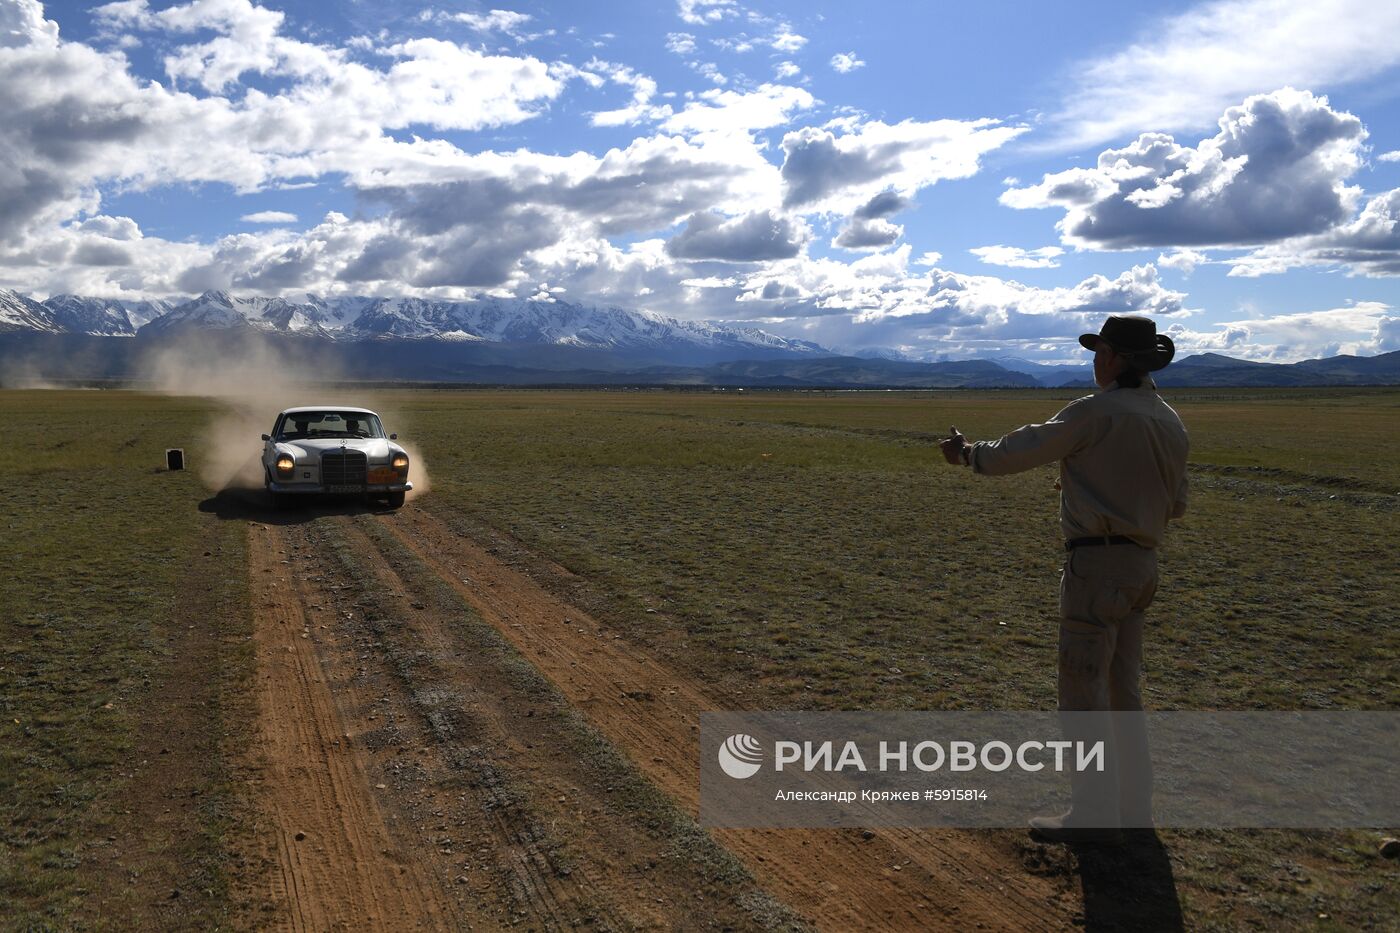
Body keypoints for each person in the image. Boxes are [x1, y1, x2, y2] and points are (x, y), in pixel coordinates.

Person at [939, 315, 1189, 845]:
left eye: (1101, 351)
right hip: (1143, 565)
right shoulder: (1170, 421)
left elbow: (1022, 449)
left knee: (1083, 691)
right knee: (1124, 691)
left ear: (1119, 359)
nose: (1095, 360)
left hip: (1097, 567)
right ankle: (1133, 811)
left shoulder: (1094, 413)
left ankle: (1093, 813)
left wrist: (966, 454)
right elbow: (1179, 503)